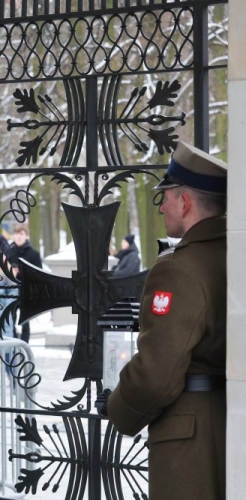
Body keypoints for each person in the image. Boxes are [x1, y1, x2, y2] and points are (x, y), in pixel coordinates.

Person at [102, 142, 226, 500]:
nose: (161, 207)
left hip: (191, 439)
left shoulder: (179, 269)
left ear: (184, 203)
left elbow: (158, 375)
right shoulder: (232, 254)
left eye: (165, 198)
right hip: (226, 420)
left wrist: (118, 406)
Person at [9, 223, 42, 343]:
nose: (18, 236)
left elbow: (38, 275)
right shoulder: (8, 252)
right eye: (16, 233)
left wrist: (20, 272)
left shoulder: (34, 254)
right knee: (9, 322)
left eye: (21, 234)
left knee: (25, 324)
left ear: (26, 236)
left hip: (26, 292)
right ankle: (12, 346)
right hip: (10, 292)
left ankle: (24, 348)